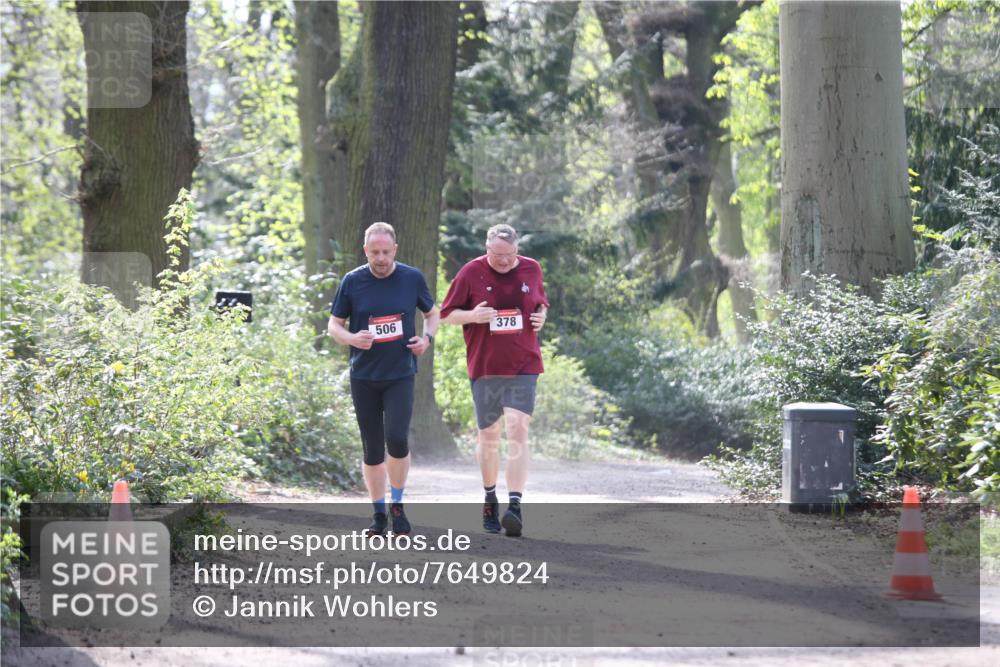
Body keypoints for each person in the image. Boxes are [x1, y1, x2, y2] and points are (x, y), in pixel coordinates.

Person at [328, 222, 439, 537]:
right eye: (374, 252)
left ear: (395, 250)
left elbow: (433, 313)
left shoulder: (411, 278)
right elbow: (334, 325)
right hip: (364, 375)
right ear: (366, 251)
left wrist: (426, 339)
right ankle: (378, 515)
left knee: (398, 439)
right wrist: (352, 338)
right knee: (372, 448)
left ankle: (398, 507)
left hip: (400, 373)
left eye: (385, 252)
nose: (380, 258)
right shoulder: (352, 282)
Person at [440, 224, 548, 537]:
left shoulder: (532, 269)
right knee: (489, 435)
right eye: (496, 255)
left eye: (509, 255)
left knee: (517, 426)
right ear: (487, 249)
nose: (502, 261)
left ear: (518, 250)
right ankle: (490, 497)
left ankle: (515, 505)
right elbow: (444, 315)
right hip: (485, 365)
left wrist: (542, 317)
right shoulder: (471, 272)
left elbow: (540, 304)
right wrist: (473, 316)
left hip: (524, 362)